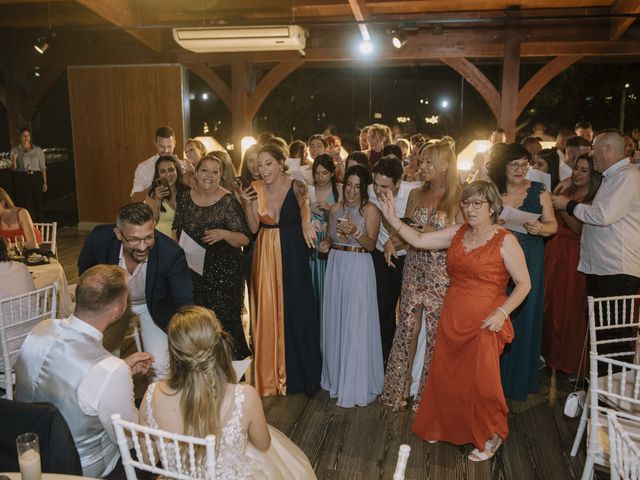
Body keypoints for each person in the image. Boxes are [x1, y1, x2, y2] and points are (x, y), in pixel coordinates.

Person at [378, 180, 531, 461]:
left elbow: (524, 284)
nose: (470, 209)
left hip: (487, 319)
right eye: (466, 203)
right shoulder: (458, 233)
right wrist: (391, 219)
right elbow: (420, 240)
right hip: (453, 313)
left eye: (477, 204)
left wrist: (502, 313)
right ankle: (447, 426)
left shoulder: (505, 239)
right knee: (448, 376)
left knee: (483, 381)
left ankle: (491, 435)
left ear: (493, 207)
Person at [138, 306, 316, 479]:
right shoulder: (244, 396)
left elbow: (148, 459)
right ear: (218, 348)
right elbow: (263, 444)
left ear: (173, 351)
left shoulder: (151, 394)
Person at [15, 265, 154, 478]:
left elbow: (62, 376)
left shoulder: (41, 329)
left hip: (32, 457)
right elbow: (130, 438)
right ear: (117, 309)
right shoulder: (109, 370)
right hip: (82, 471)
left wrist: (121, 368)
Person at [381, 141, 461, 412]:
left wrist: (426, 231)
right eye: (421, 161)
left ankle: (428, 395)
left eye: (429, 162)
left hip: (442, 272)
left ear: (445, 165)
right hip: (414, 267)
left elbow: (461, 239)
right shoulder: (415, 193)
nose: (421, 166)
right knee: (407, 329)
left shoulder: (459, 197)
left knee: (437, 334)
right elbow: (406, 229)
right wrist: (393, 241)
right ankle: (400, 388)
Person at [240, 143, 321, 397]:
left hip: (294, 251)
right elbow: (253, 229)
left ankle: (300, 375)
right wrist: (246, 205)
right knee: (266, 311)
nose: (263, 170)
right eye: (259, 164)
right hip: (265, 252)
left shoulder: (296, 185)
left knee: (299, 309)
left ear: (280, 162)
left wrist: (306, 222)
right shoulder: (254, 189)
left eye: (268, 164)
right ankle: (269, 377)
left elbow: (305, 207)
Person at [78, 202, 193, 378]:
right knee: (103, 361)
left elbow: (184, 301)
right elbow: (85, 272)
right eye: (133, 239)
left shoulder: (171, 253)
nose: (142, 247)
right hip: (112, 303)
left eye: (148, 237)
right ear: (118, 234)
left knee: (161, 368)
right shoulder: (99, 240)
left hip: (153, 305)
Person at [487, 143, 557, 401]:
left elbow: (553, 226)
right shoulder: (492, 191)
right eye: (513, 164)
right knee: (496, 309)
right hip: (498, 257)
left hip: (530, 256)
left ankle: (515, 382)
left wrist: (541, 228)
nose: (519, 170)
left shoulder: (539, 191)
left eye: (524, 165)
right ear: (502, 166)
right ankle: (490, 378)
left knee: (523, 315)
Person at [172, 154, 251, 360]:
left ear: (221, 176)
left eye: (215, 172)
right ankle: (203, 369)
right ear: (195, 174)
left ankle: (231, 373)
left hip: (225, 274)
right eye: (204, 170)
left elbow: (244, 239)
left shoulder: (228, 202)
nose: (209, 175)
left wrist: (223, 234)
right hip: (194, 272)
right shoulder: (185, 198)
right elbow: (176, 228)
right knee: (199, 323)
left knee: (225, 324)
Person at [318, 165, 382, 407]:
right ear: (343, 186)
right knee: (337, 319)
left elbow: (371, 245)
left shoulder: (370, 211)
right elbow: (329, 236)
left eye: (357, 186)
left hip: (358, 266)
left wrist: (356, 232)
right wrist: (325, 244)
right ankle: (337, 377)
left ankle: (356, 382)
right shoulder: (335, 209)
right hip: (336, 265)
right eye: (349, 185)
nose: (352, 191)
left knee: (356, 322)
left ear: (364, 188)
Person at [552, 129, 640, 299]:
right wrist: (570, 180)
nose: (591, 154)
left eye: (594, 148)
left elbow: (602, 216)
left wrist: (568, 204)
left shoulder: (627, 176)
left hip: (616, 269)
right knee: (599, 324)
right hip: (604, 267)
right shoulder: (613, 176)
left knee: (613, 325)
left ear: (607, 149)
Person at [543, 154, 601, 375]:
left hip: (573, 253)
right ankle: (549, 357)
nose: (577, 173)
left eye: (583, 170)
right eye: (576, 169)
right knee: (550, 304)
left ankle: (567, 362)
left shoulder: (592, 197)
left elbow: (577, 228)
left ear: (593, 174)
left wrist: (561, 206)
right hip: (555, 250)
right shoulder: (567, 191)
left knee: (568, 307)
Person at [368, 155, 422, 363]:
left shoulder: (413, 194)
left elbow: (417, 228)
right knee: (383, 310)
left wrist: (395, 241)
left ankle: (406, 361)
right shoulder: (370, 192)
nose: (378, 190)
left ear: (399, 182)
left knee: (409, 313)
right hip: (381, 258)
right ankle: (383, 360)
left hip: (409, 257)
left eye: (384, 186)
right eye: (375, 184)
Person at [308, 154, 341, 333]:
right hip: (313, 241)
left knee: (329, 289)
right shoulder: (309, 190)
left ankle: (329, 329)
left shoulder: (340, 191)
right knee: (313, 288)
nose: (320, 177)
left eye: (325, 173)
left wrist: (331, 210)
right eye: (317, 173)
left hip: (331, 241)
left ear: (332, 174)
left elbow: (346, 218)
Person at [145, 155, 189, 237]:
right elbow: (152, 223)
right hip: (161, 241)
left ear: (177, 171)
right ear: (158, 174)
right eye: (162, 171)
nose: (168, 174)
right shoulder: (152, 193)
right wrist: (158, 200)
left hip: (183, 243)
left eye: (171, 170)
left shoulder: (187, 191)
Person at [10, 128, 48, 222]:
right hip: (24, 177)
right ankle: (31, 226)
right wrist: (14, 160)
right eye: (24, 135)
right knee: (28, 204)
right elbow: (14, 169)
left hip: (36, 176)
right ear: (20, 137)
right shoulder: (15, 150)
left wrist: (45, 182)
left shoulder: (37, 150)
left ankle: (41, 225)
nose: (26, 138)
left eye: (28, 135)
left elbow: (43, 167)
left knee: (38, 202)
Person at [131, 126, 177, 201]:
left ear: (174, 144)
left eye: (169, 146)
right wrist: (153, 191)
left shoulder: (183, 166)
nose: (166, 150)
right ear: (155, 143)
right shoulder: (144, 167)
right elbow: (134, 197)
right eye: (162, 147)